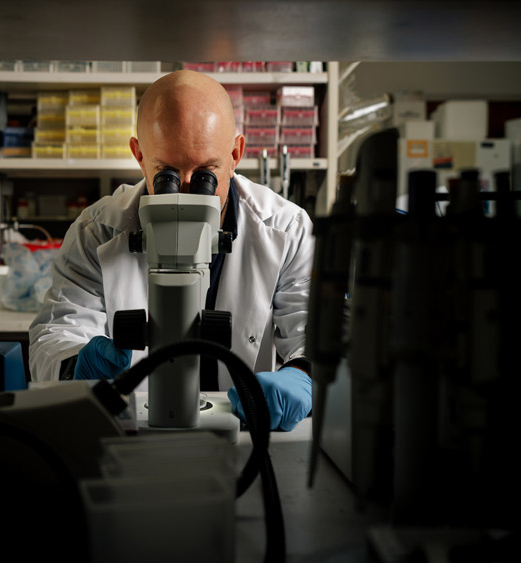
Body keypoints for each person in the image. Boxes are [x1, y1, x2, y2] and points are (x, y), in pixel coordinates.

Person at [28, 70, 314, 431]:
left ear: (235, 154)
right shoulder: (96, 231)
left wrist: (301, 376)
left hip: (244, 432)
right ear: (139, 155)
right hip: (132, 431)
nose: (186, 194)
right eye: (168, 173)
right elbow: (54, 336)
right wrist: (74, 364)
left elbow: (311, 334)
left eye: (207, 172)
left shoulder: (287, 229)